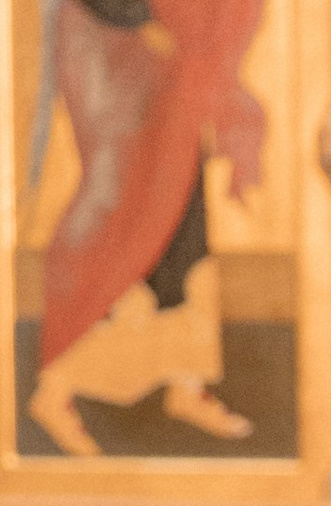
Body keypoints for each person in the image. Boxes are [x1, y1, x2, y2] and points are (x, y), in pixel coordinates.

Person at [24, 0, 264, 455]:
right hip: (109, 43)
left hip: (171, 49)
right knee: (115, 199)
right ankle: (55, 390)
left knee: (183, 200)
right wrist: (146, 18)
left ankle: (186, 382)